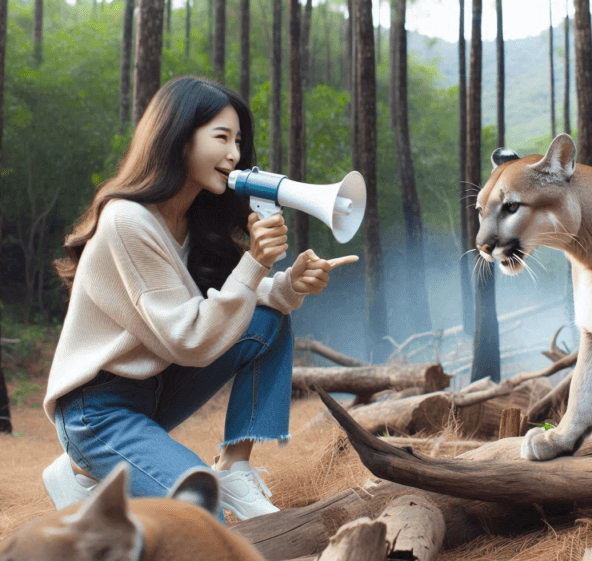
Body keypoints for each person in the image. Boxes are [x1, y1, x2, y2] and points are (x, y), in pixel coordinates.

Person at [41, 76, 358, 521]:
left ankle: (234, 467)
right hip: (97, 410)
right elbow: (190, 339)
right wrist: (255, 262)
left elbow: (221, 304)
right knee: (203, 514)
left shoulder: (191, 223)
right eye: (221, 137)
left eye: (239, 141)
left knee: (267, 319)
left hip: (153, 391)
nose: (234, 154)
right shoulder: (127, 221)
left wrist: (287, 285)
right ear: (177, 138)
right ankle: (87, 462)